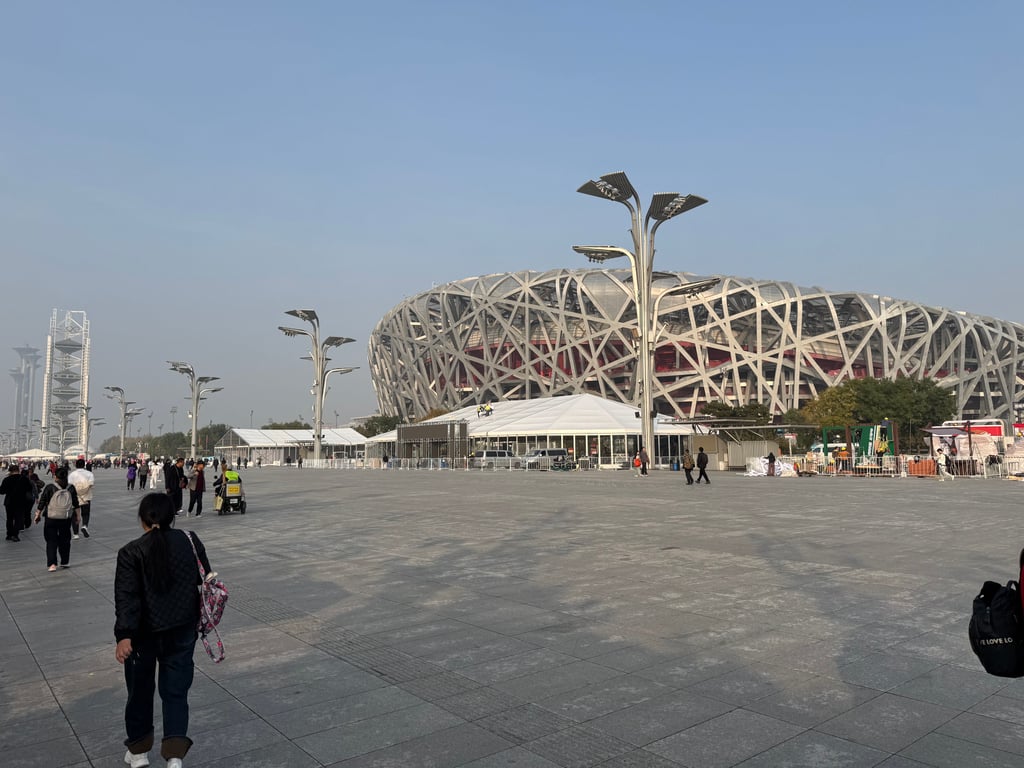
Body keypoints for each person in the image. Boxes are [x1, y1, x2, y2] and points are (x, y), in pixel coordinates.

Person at [115, 493, 213, 768]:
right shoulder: (190, 541)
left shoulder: (131, 551)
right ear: (172, 516)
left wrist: (124, 635)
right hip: (182, 629)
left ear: (143, 519)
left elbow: (127, 597)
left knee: (139, 692)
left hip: (141, 635)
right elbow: (204, 575)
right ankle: (174, 756)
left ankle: (138, 753)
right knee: (176, 692)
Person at [35, 466, 81, 571]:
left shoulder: (50, 487)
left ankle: (52, 564)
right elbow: (76, 503)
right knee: (65, 539)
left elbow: (42, 502)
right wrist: (78, 516)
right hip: (65, 518)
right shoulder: (71, 487)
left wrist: (37, 514)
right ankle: (65, 561)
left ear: (55, 476)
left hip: (51, 518)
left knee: (51, 540)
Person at [1, 465, 33, 542]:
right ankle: (15, 535)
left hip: (9, 502)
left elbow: (2, 491)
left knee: (9, 519)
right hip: (21, 502)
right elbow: (29, 489)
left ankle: (9, 534)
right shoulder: (24, 479)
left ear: (10, 471)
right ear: (18, 470)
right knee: (18, 519)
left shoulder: (7, 479)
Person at [68, 458, 95, 539]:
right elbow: (91, 484)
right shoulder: (89, 474)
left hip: (75, 497)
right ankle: (84, 526)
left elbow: (70, 486)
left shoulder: (72, 475)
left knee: (75, 515)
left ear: (76, 465)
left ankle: (76, 534)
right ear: (84, 465)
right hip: (86, 497)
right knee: (86, 513)